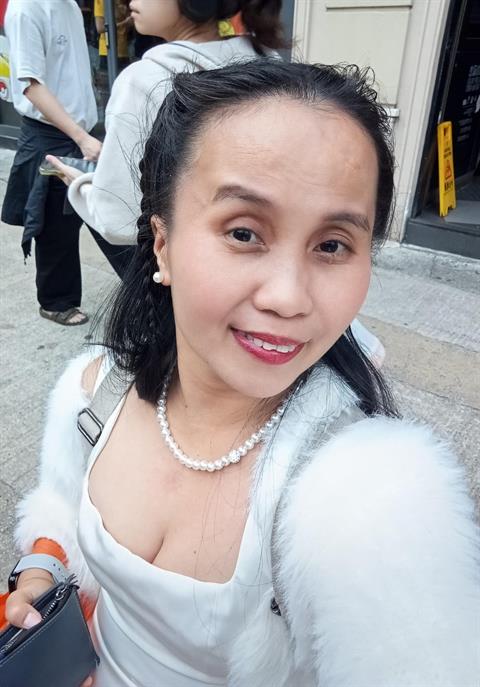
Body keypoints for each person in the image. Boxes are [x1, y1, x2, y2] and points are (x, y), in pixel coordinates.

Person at [4, 61, 478, 686]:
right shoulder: (95, 394)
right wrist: (41, 572)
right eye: (245, 232)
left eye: (332, 245)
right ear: (163, 243)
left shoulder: (375, 502)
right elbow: (61, 508)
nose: (288, 297)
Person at [48, 0, 285, 248]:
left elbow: (118, 220)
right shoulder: (270, 62)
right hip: (262, 247)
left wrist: (82, 185)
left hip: (185, 262)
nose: (132, 1)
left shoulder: (145, 81)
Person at [1, 0, 101, 326]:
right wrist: (81, 138)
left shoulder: (68, 4)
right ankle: (56, 302)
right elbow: (31, 85)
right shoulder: (26, 9)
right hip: (51, 134)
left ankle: (145, 294)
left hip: (78, 130)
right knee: (55, 224)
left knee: (95, 215)